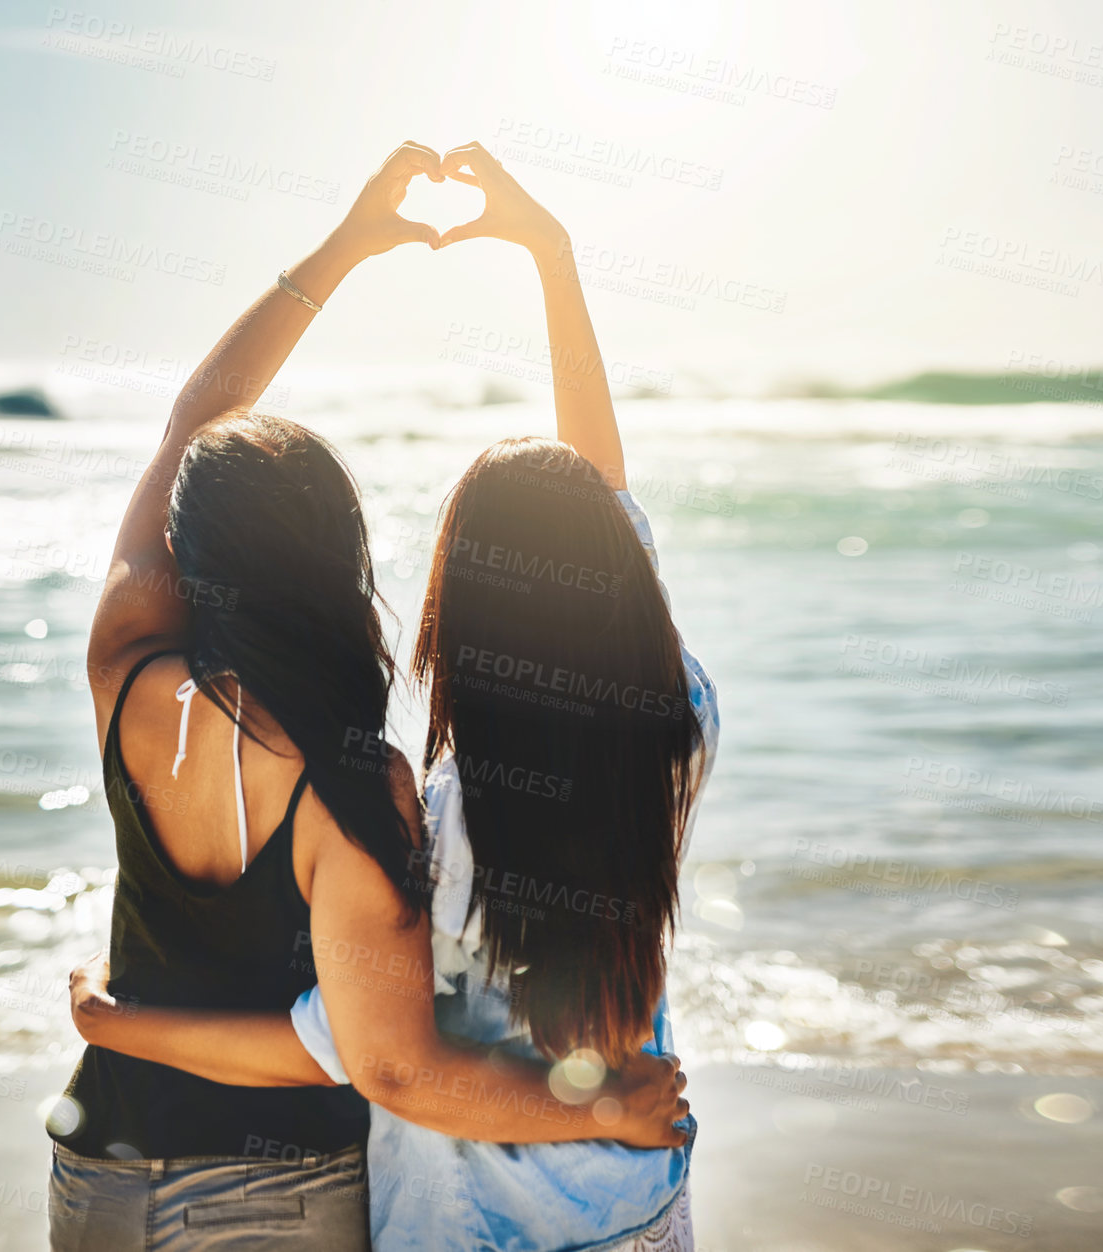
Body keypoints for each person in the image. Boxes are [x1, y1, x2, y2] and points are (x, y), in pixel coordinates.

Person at [69, 142, 718, 1251]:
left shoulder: (137, 673)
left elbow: (367, 1055)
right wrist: (553, 258)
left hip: (389, 1212)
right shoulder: (675, 724)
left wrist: (124, 1027)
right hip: (627, 1203)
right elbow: (604, 501)